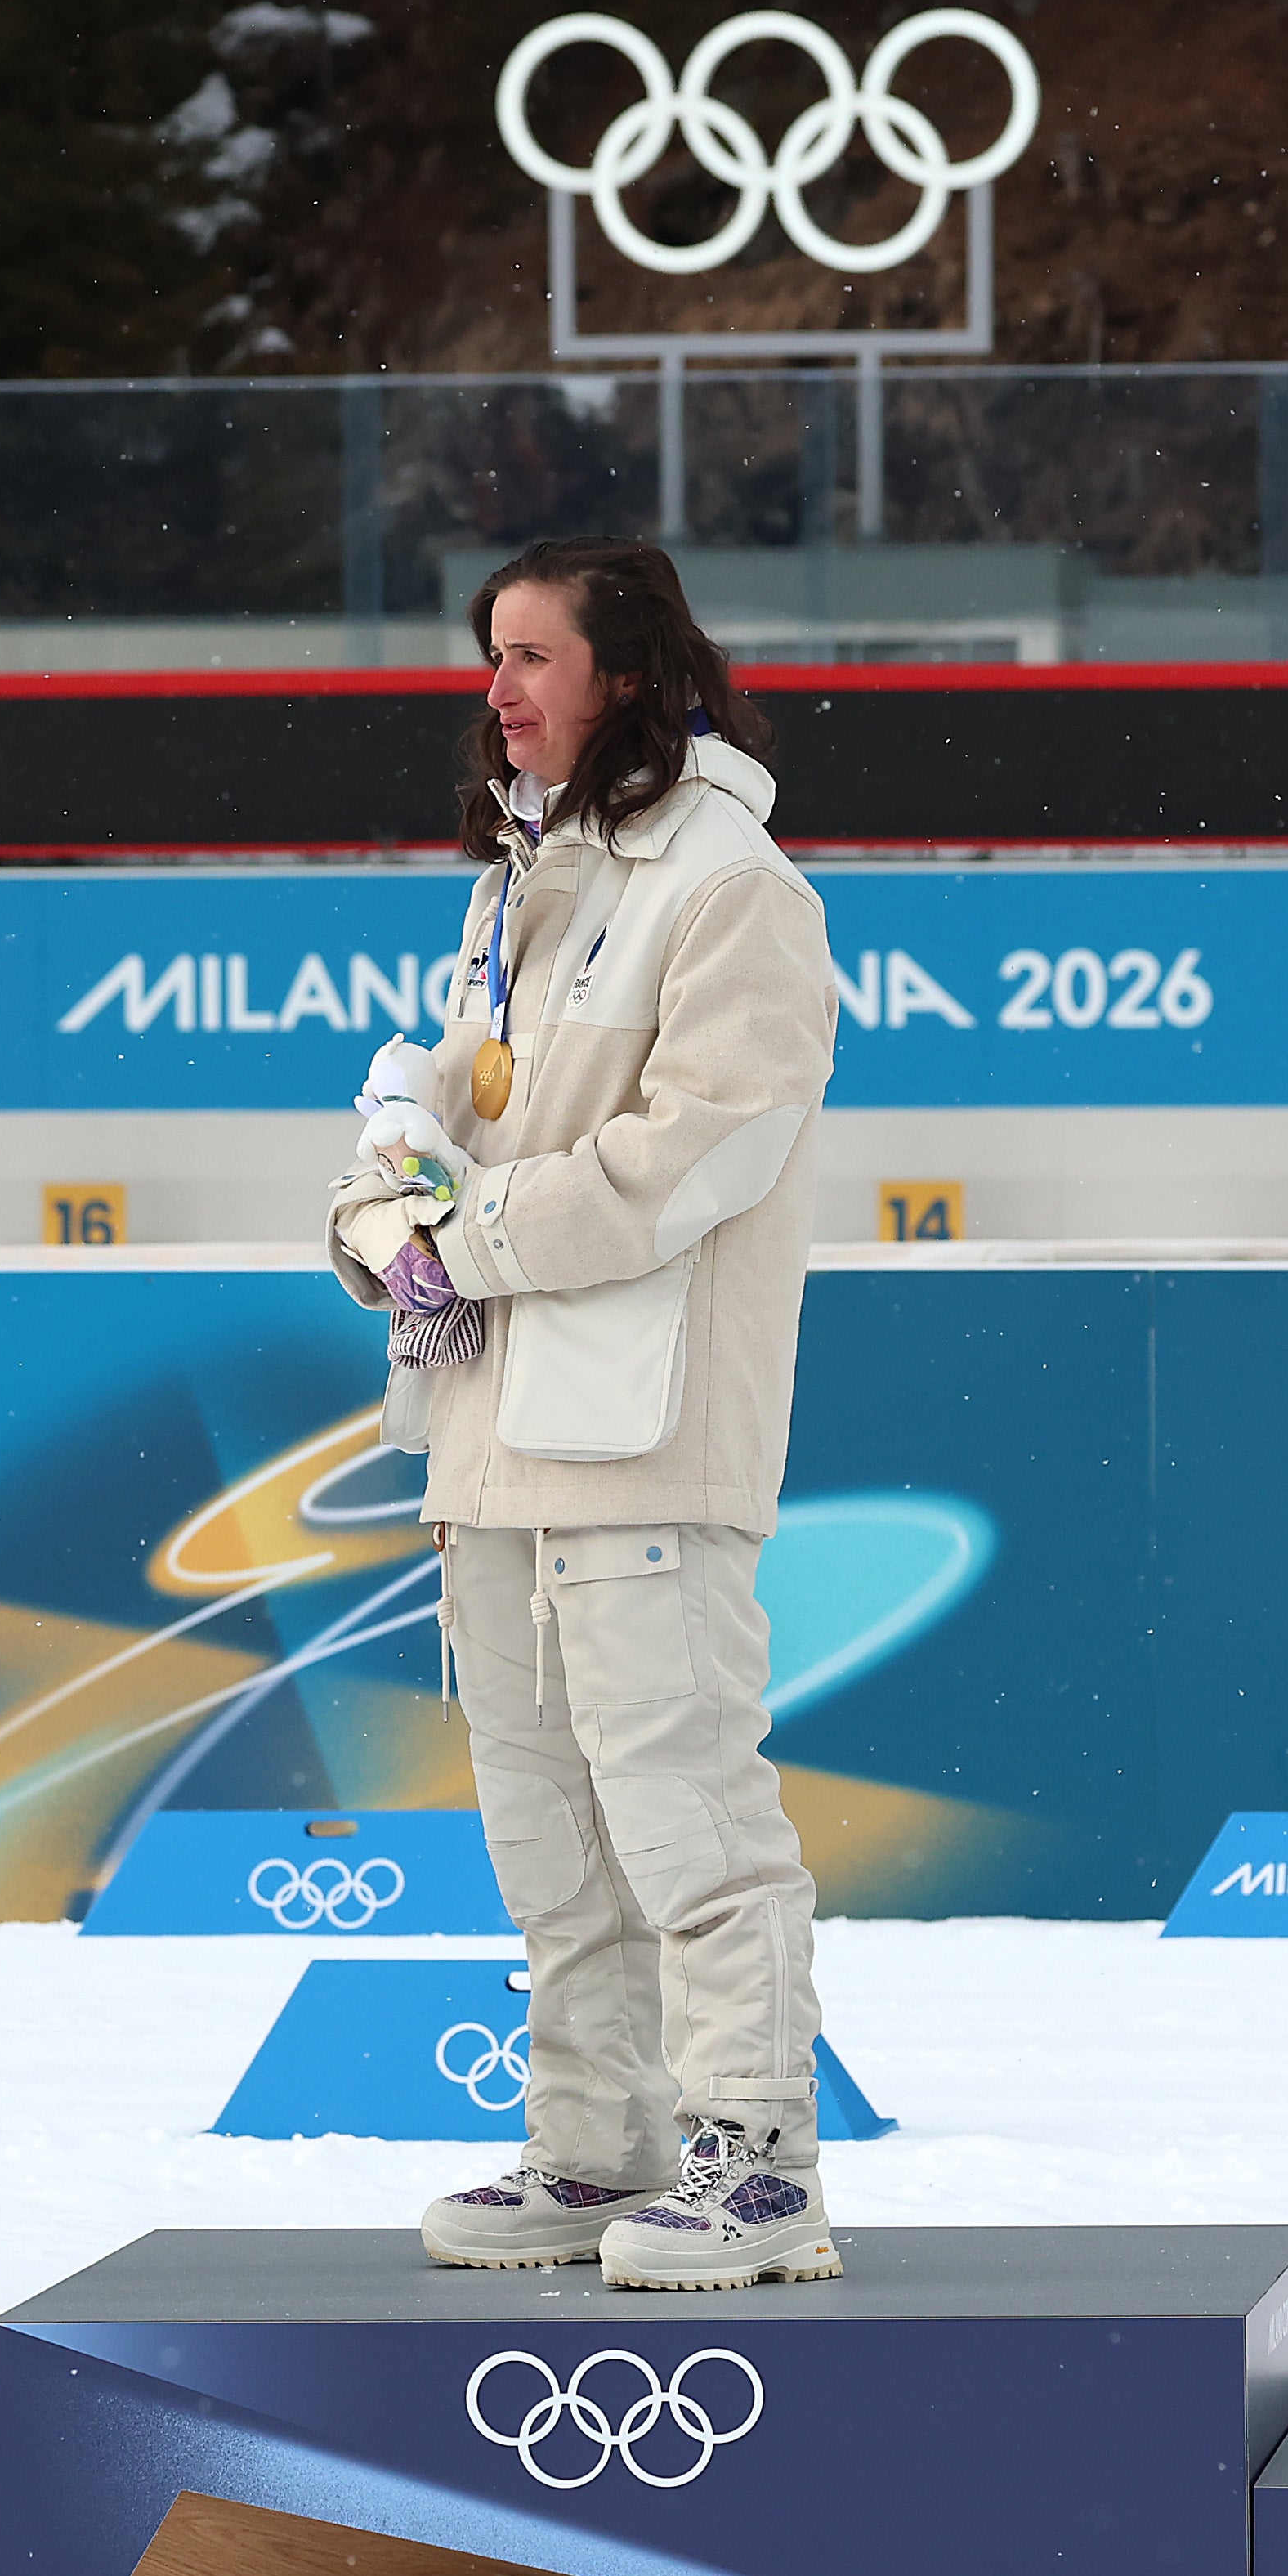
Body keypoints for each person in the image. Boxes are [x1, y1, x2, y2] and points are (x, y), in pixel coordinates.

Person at [326, 537, 845, 2291]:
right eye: (490, 657)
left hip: (642, 1437)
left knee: (685, 1816)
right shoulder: (512, 889)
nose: (497, 692)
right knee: (546, 1834)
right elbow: (463, 1123)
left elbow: (700, 1145)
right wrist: (380, 1215)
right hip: (492, 1439)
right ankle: (595, 2144)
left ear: (623, 671)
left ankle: (760, 2161)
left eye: (531, 656)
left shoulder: (730, 885)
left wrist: (465, 1236)